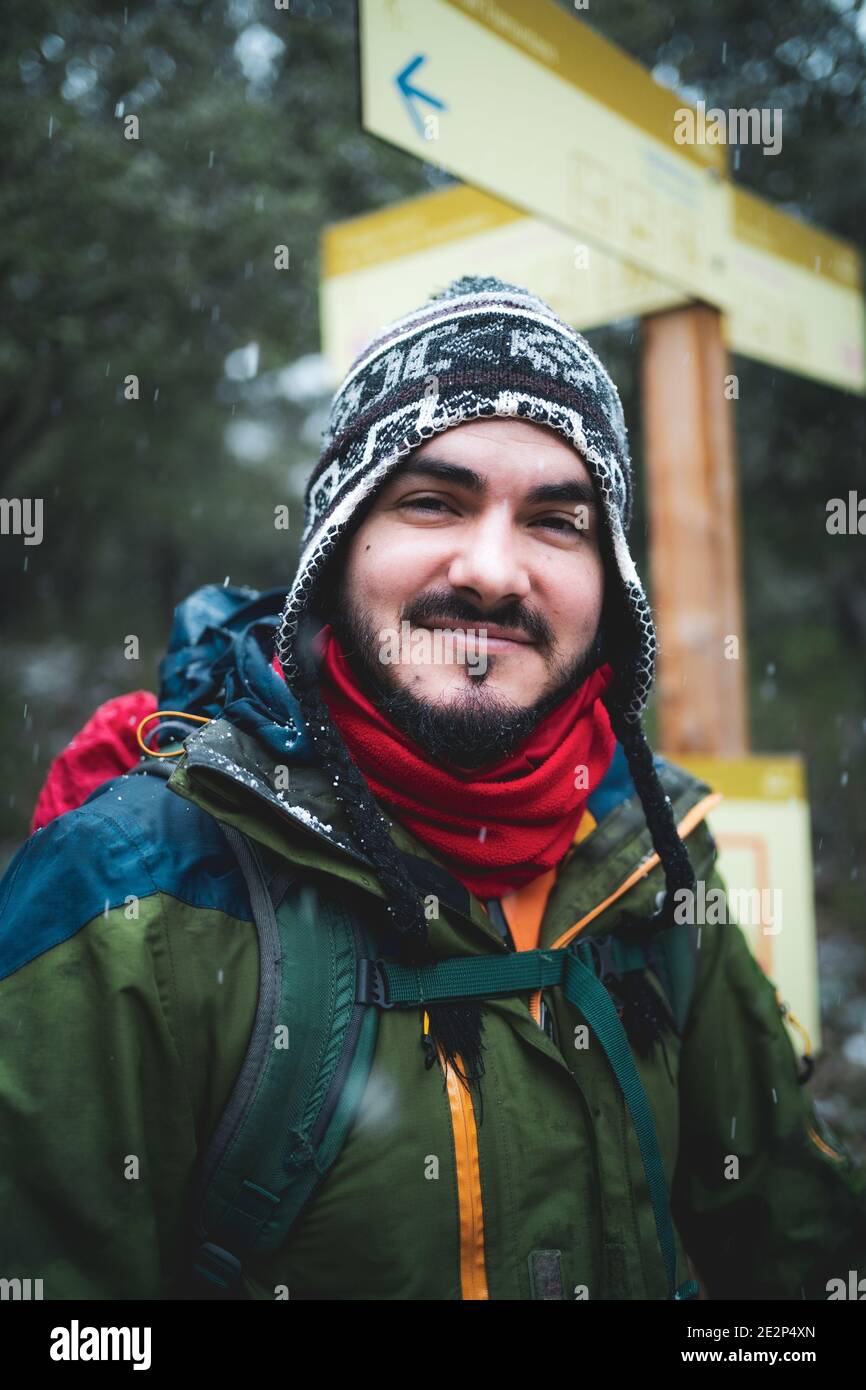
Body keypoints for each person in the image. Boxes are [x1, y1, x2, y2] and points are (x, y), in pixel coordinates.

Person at [1, 275, 864, 1301]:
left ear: (611, 588)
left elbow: (793, 1247)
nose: (494, 571)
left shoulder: (652, 849)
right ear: (332, 551)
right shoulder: (125, 894)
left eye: (556, 521)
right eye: (430, 501)